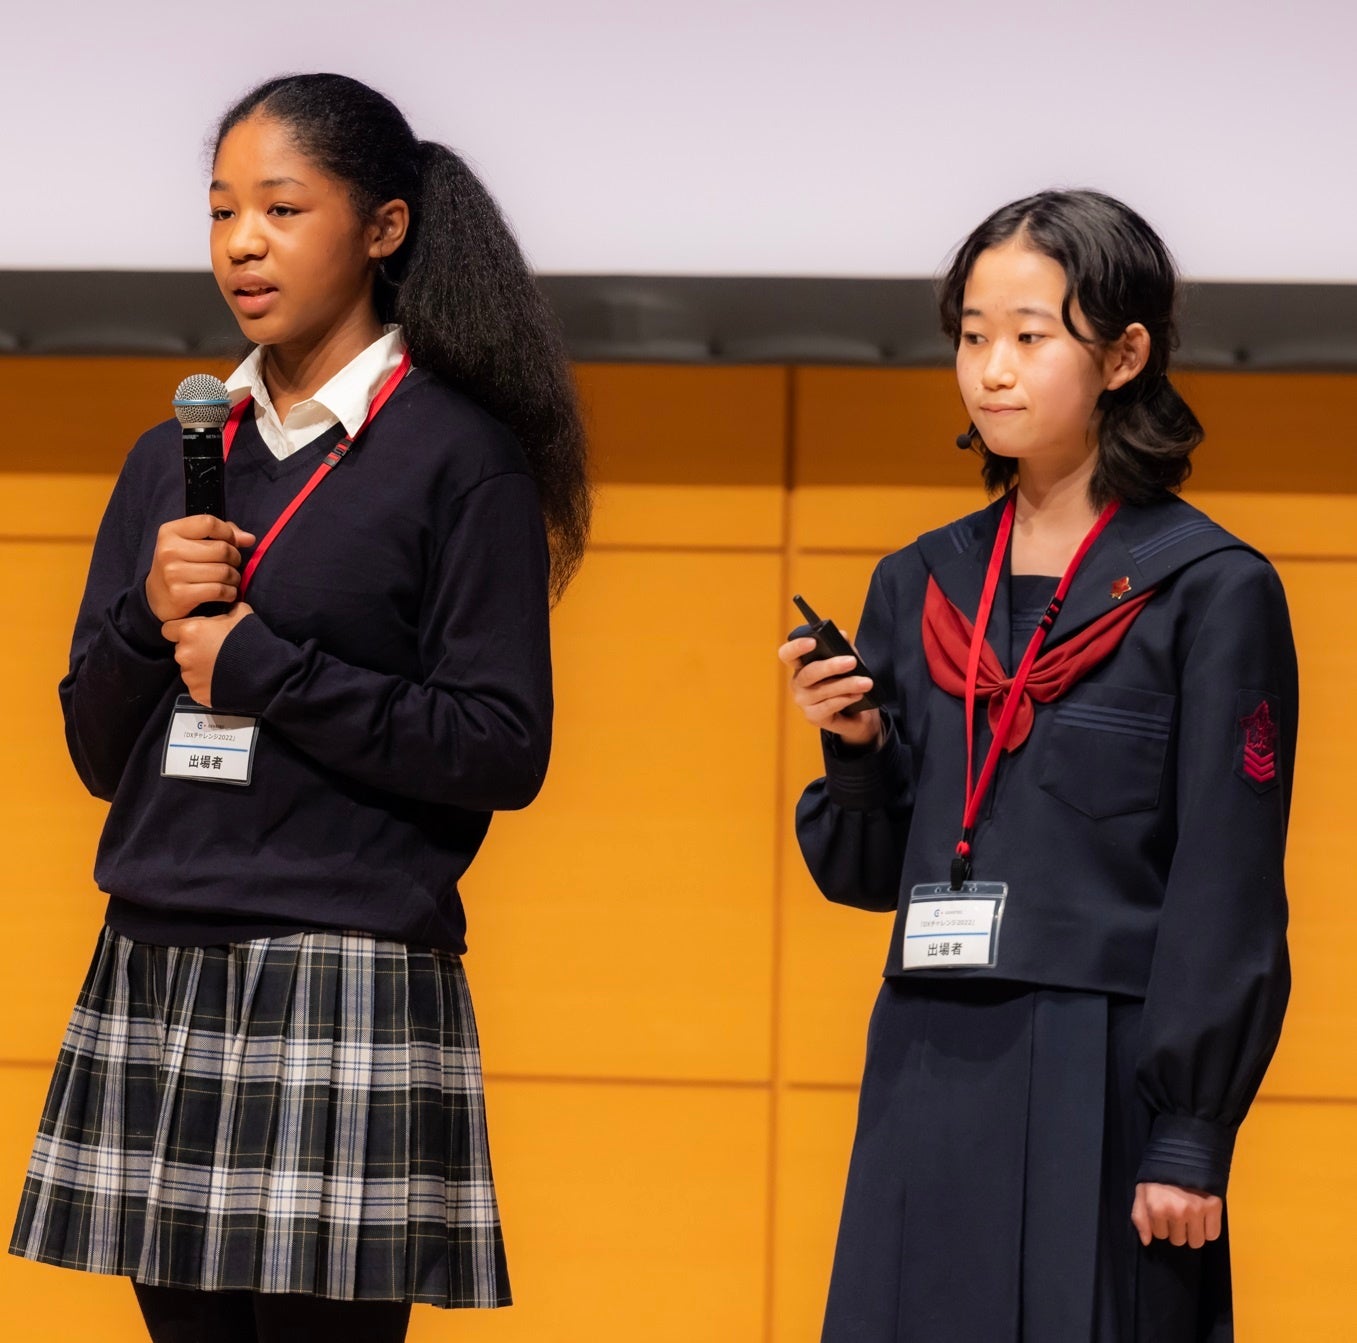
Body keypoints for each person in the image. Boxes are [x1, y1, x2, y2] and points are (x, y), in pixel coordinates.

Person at [10, 72, 589, 1343]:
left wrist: (263, 667)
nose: (242, 244)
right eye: (220, 212)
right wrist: (143, 615)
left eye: (280, 207)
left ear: (382, 228)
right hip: (159, 955)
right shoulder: (171, 453)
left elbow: (501, 743)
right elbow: (97, 749)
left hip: (345, 967)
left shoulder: (455, 452)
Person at [779, 190, 1296, 1342]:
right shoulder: (920, 581)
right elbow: (868, 874)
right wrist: (856, 751)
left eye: (1027, 334)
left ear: (1122, 354)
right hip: (927, 1051)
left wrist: (1188, 1131)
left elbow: (1229, 881)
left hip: (1105, 1070)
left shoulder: (1210, 587)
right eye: (969, 336)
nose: (989, 371)